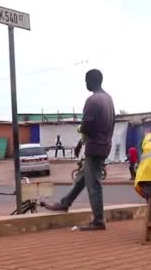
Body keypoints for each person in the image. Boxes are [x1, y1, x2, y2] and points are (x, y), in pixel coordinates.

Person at [44, 69, 115, 231]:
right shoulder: (108, 99)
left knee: (94, 184)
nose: (85, 84)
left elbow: (87, 126)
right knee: (83, 177)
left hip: (95, 147)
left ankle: (98, 221)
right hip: (104, 145)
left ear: (92, 81)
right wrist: (81, 143)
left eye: (86, 81)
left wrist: (80, 134)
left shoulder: (93, 100)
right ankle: (64, 203)